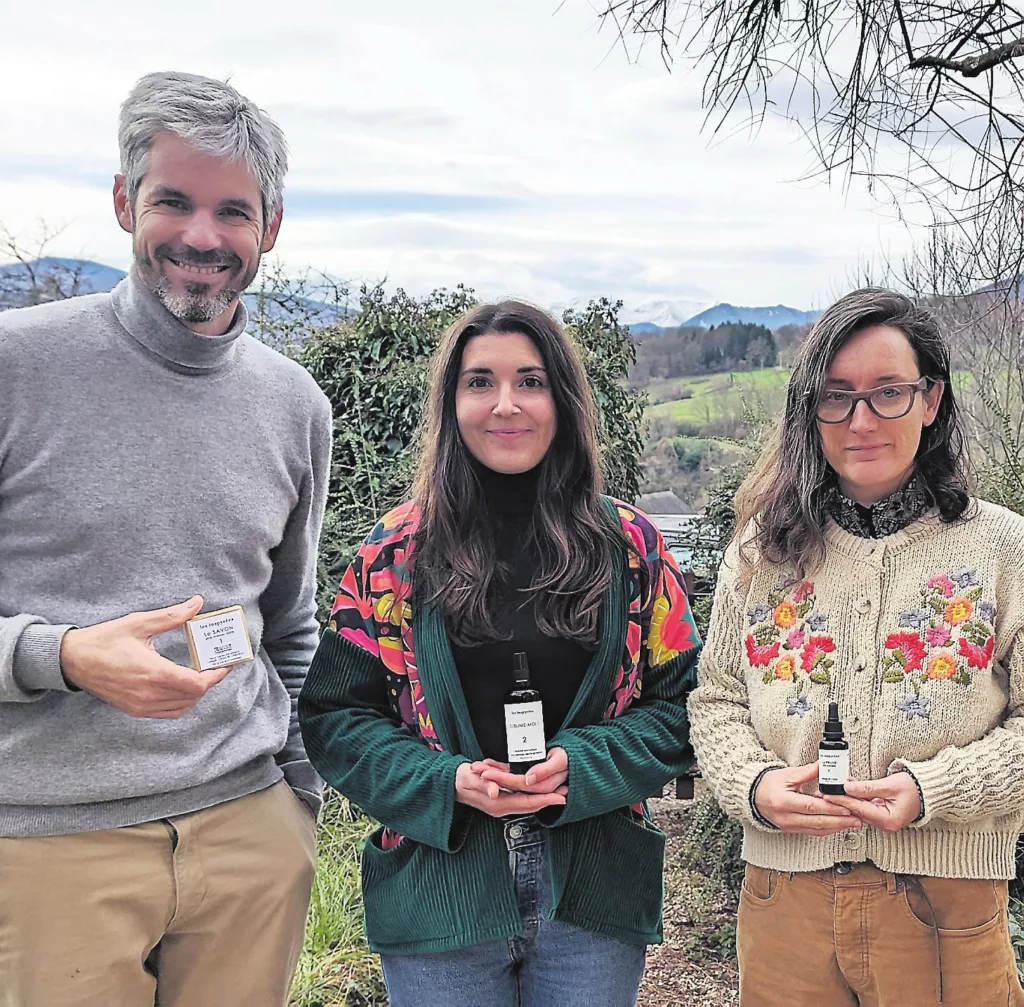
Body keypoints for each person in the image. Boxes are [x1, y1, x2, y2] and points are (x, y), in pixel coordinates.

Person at [0, 72, 332, 1006]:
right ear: (122, 203)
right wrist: (58, 655)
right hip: (47, 846)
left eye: (233, 210)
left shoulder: (295, 405)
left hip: (247, 835)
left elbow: (287, 622)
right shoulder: (17, 368)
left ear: (269, 226)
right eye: (172, 200)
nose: (201, 236)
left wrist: (296, 797)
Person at [299, 301, 700, 1007]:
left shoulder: (632, 549)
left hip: (592, 895)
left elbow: (685, 706)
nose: (505, 403)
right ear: (452, 403)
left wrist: (587, 763)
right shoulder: (394, 553)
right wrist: (447, 781)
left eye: (531, 380)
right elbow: (337, 716)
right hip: (439, 891)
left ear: (565, 400)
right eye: (480, 381)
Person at [688, 288, 1024, 1006]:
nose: (861, 419)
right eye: (836, 397)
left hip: (947, 902)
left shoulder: (1005, 548)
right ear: (810, 409)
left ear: (931, 400)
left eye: (888, 393)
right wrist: (754, 785)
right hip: (785, 903)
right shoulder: (761, 552)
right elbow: (716, 697)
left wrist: (934, 791)